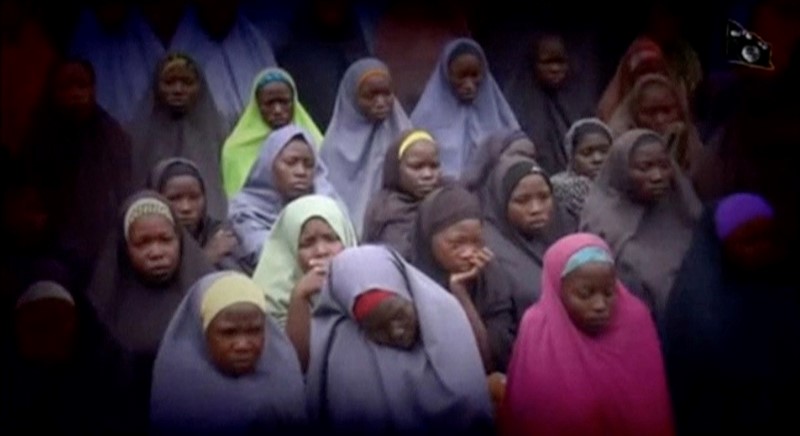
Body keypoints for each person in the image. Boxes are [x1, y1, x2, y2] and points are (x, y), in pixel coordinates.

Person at [306, 245, 493, 435]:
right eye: (378, 326)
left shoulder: (444, 315)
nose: (396, 332)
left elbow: (472, 399)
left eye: (400, 317)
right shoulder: (335, 345)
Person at [502, 232, 674, 436]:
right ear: (557, 290)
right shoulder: (538, 332)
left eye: (609, 293)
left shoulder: (635, 322)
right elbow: (532, 416)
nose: (600, 305)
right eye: (585, 294)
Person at [663, 193, 799, 435]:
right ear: (723, 245)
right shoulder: (699, 309)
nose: (762, 249)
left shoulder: (775, 280)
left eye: (768, 238)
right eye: (749, 241)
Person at [85, 190, 213, 433]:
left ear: (180, 240)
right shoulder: (99, 309)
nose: (156, 253)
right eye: (142, 243)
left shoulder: (211, 295)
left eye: (165, 239)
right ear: (124, 247)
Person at [21, 58, 132, 289]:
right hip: (48, 245)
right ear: (52, 91)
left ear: (93, 90)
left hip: (100, 244)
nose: (75, 95)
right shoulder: (37, 137)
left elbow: (124, 190)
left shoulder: (110, 134)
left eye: (82, 87)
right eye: (66, 88)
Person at [151, 272, 307, 434]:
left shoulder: (283, 378)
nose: (242, 345)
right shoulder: (179, 394)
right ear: (203, 332)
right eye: (228, 332)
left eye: (254, 331)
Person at [580, 129, 701, 322]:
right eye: (645, 168)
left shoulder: (685, 213)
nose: (657, 176)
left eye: (664, 166)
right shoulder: (601, 226)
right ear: (622, 171)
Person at [411, 184, 516, 372]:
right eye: (457, 243)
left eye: (477, 242)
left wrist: (460, 294)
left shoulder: (491, 276)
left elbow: (489, 359)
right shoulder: (410, 283)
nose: (469, 253)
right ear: (429, 239)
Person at [251, 195, 357, 370]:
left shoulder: (364, 281)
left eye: (331, 239)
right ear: (290, 248)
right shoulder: (267, 298)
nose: (321, 251)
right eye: (307, 243)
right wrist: (299, 295)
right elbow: (293, 362)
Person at [228, 124, 340, 272]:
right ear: (270, 164)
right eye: (291, 163)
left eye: (308, 165)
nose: (301, 172)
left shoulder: (325, 200)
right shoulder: (244, 209)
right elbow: (265, 254)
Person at [130, 53, 228, 219]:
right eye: (169, 83)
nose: (178, 90)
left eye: (187, 83)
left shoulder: (221, 132)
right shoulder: (137, 136)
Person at [320, 57, 412, 233]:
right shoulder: (333, 150)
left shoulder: (405, 136)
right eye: (371, 96)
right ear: (352, 99)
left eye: (387, 94)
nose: (381, 102)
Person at [411, 38, 519, 177]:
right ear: (446, 75)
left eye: (474, 75)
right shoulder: (424, 120)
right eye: (461, 77)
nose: (469, 84)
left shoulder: (499, 115)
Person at [483, 158, 568, 324]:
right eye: (522, 200)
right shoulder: (490, 254)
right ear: (501, 201)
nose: (536, 209)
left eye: (544, 197)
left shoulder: (563, 227)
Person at [504, 33, 598, 174]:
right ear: (533, 64)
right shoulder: (517, 102)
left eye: (560, 62)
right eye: (547, 62)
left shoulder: (581, 101)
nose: (555, 69)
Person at [221, 67, 323, 196]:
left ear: (294, 102)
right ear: (257, 105)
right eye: (269, 103)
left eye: (284, 102)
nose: (278, 110)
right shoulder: (236, 150)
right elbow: (236, 198)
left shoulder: (315, 143)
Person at [362, 129, 448, 259]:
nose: (428, 175)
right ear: (397, 168)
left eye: (434, 166)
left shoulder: (449, 202)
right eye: (417, 167)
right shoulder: (384, 210)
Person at [148, 158, 240, 270]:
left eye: (194, 197)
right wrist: (205, 259)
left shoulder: (219, 236)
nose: (186, 207)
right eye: (175, 198)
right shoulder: (148, 242)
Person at [550, 118, 613, 223]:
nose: (597, 159)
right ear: (571, 156)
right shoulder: (558, 190)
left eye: (604, 151)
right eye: (586, 153)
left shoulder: (627, 186)